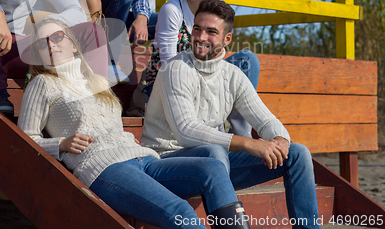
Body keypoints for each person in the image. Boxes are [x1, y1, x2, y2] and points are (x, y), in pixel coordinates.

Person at [18, 18, 254, 229]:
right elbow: (24, 138)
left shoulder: (96, 80)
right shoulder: (42, 84)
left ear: (71, 41)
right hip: (104, 168)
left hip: (143, 158)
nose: (50, 44)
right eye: (41, 42)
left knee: (213, 168)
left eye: (57, 36)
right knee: (179, 211)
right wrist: (61, 144)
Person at [141, 0, 321, 229]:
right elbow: (186, 130)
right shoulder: (176, 69)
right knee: (214, 152)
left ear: (227, 39)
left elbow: (265, 119)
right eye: (197, 28)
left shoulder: (232, 75)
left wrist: (280, 140)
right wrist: (247, 143)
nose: (201, 37)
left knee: (297, 154)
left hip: (216, 167)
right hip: (168, 163)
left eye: (211, 32)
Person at [129, 0, 258, 140]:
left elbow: (217, 64)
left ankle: (240, 136)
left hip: (203, 88)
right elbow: (169, 66)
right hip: (164, 88)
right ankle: (226, 136)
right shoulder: (173, 9)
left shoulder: (218, 15)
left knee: (247, 60)